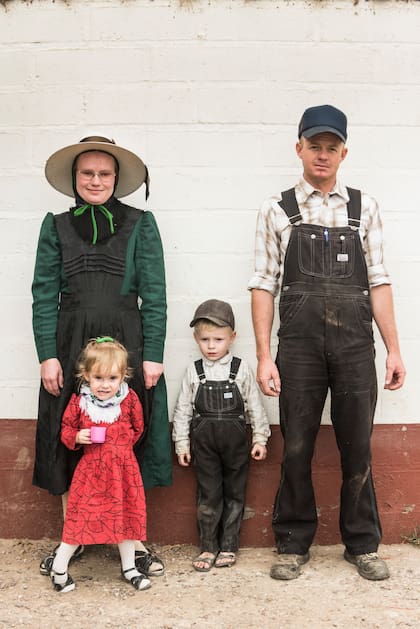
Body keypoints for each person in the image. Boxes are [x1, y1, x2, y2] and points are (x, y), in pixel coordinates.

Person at [248, 105, 406, 581]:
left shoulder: (365, 207)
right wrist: (262, 356)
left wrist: (393, 348)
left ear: (343, 153)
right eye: (314, 146)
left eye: (331, 147)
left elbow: (378, 281)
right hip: (296, 347)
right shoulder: (277, 209)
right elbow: (263, 284)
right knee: (296, 443)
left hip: (356, 344)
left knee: (356, 444)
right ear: (299, 148)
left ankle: (362, 543)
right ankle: (293, 542)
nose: (322, 155)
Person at [32, 136, 171, 578]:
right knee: (69, 433)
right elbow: (42, 296)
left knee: (129, 439)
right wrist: (47, 355)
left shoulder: (141, 224)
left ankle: (134, 541)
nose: (96, 180)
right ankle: (72, 538)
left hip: (127, 342)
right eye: (87, 173)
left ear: (117, 179)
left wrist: (152, 354)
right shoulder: (54, 227)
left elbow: (156, 295)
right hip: (70, 340)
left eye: (104, 173)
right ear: (75, 179)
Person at [172, 299, 271, 571]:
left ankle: (228, 546)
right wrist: (182, 443)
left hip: (236, 445)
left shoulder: (241, 370)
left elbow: (255, 407)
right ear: (196, 339)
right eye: (205, 339)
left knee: (235, 495)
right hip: (204, 446)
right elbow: (183, 410)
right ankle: (207, 547)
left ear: (232, 338)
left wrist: (260, 438)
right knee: (208, 495)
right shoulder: (194, 371)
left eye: (218, 339)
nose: (211, 346)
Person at [50, 338, 151, 593]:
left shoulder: (129, 400)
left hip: (124, 470)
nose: (105, 385)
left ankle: (130, 568)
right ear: (86, 376)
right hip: (92, 472)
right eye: (98, 378)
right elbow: (66, 428)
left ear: (122, 376)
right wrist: (76, 437)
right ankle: (59, 569)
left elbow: (138, 427)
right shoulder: (80, 403)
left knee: (127, 518)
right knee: (81, 519)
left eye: (112, 378)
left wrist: (120, 448)